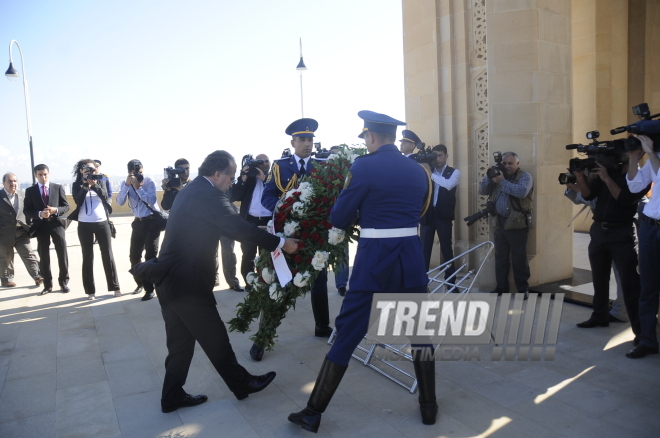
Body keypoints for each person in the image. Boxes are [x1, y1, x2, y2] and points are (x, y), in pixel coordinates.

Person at [288, 111, 436, 432]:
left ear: (369, 137)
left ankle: (313, 412)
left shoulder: (364, 166)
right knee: (420, 333)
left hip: (374, 263)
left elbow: (339, 218)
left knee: (349, 331)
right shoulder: (419, 170)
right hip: (410, 259)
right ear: (393, 138)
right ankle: (429, 406)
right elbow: (423, 209)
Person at [131, 150, 299, 413]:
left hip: (169, 280)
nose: (232, 181)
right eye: (231, 176)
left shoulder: (192, 189)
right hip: (187, 283)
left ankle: (172, 396)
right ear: (217, 173)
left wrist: (264, 231)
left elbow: (225, 225)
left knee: (180, 345)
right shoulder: (209, 194)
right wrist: (281, 243)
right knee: (214, 337)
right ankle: (242, 384)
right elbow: (239, 229)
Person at [256, 118, 332, 361]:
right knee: (277, 282)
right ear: (293, 142)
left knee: (318, 280)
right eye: (302, 140)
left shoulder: (323, 165)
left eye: (310, 140)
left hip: (314, 234)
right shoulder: (280, 166)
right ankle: (262, 337)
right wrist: (281, 209)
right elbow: (267, 196)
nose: (307, 144)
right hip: (285, 236)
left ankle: (322, 325)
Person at [572, 155, 647, 347]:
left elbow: (625, 200)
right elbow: (589, 195)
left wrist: (606, 178)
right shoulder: (607, 173)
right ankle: (599, 316)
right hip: (598, 231)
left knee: (630, 283)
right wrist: (580, 177)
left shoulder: (639, 177)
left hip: (620, 233)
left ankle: (642, 333)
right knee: (599, 277)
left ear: (638, 154)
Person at [479, 152, 533, 300]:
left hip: (517, 223)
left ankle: (523, 289)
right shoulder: (497, 175)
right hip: (499, 222)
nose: (507, 166)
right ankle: (501, 287)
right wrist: (490, 177)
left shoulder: (525, 177)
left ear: (517, 163)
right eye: (505, 163)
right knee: (500, 258)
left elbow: (521, 192)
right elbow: (482, 191)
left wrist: (501, 181)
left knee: (519, 258)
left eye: (510, 163)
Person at [626, 134, 660, 358]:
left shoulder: (655, 158)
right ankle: (647, 341)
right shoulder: (654, 158)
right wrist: (632, 158)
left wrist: (650, 153)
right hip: (649, 227)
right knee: (648, 287)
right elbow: (636, 185)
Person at [68, 159, 122, 300]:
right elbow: (78, 200)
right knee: (87, 257)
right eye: (86, 169)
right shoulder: (76, 185)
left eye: (92, 169)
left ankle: (115, 286)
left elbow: (105, 197)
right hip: (84, 224)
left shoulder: (101, 181)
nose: (90, 172)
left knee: (107, 255)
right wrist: (86, 185)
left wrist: (95, 185)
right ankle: (90, 291)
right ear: (81, 171)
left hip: (102, 222)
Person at [116, 159, 161, 301]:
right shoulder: (126, 183)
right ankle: (140, 282)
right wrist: (127, 185)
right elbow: (119, 202)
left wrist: (139, 187)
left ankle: (150, 289)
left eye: (139, 172)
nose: (138, 175)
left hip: (152, 222)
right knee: (134, 256)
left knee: (150, 256)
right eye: (134, 172)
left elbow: (152, 201)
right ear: (129, 172)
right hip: (138, 223)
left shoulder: (149, 181)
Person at [24, 164, 70, 295]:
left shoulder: (57, 187)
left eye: (45, 174)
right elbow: (27, 210)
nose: (43, 177)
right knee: (44, 256)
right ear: (35, 175)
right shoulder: (30, 191)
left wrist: (55, 210)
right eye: (40, 175)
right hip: (41, 226)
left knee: (62, 254)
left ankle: (64, 282)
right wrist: (39, 214)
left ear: (48, 174)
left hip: (56, 224)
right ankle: (47, 285)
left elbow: (65, 207)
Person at [419, 144, 460, 280]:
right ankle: (422, 282)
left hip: (444, 216)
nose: (437, 158)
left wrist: (432, 175)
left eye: (440, 155)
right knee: (424, 250)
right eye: (435, 155)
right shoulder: (427, 171)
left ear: (446, 156)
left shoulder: (454, 172)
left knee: (447, 250)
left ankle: (450, 282)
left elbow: (448, 185)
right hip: (428, 215)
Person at [231, 154, 272, 288]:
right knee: (248, 253)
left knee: (267, 253)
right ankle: (249, 282)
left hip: (268, 221)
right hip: (250, 221)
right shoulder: (248, 179)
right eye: (261, 162)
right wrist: (243, 178)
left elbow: (280, 193)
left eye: (267, 161)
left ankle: (266, 280)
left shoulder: (274, 178)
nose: (265, 164)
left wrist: (264, 179)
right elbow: (234, 196)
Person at [0, 173, 42, 287]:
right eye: (9, 181)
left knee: (28, 253)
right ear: (3, 183)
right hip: (4, 233)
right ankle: (6, 279)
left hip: (21, 232)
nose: (12, 183)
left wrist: (31, 226)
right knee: (6, 257)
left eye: (14, 181)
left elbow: (28, 211)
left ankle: (38, 275)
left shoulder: (23, 195)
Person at [329, 146, 349, 296]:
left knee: (342, 253)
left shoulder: (347, 175)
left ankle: (341, 284)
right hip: (323, 219)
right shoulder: (323, 175)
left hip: (341, 220)